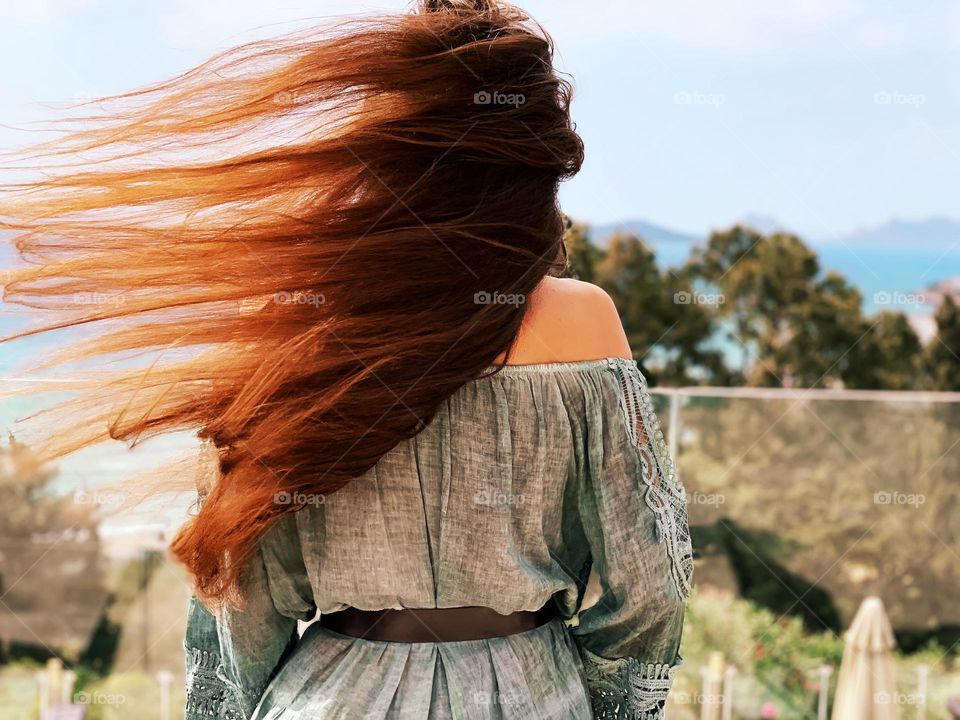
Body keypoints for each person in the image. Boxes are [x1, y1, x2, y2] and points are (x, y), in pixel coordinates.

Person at [0, 1, 691, 717]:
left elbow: (241, 590)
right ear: (532, 167)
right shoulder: (581, 320)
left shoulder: (299, 320)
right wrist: (596, 697)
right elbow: (651, 582)